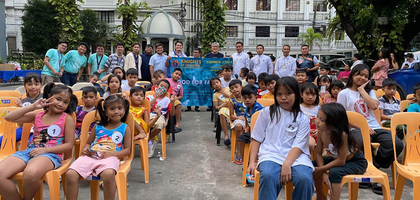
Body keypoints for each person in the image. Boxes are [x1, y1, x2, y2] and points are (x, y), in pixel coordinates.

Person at [0, 84, 77, 200]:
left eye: (65, 102)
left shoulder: (67, 119)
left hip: (51, 154)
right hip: (29, 151)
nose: (61, 104)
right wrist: (33, 107)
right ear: (49, 97)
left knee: (30, 173)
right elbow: (9, 117)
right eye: (58, 99)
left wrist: (44, 150)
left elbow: (69, 145)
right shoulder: (38, 115)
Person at [337, 64, 403, 195]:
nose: (362, 78)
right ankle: (371, 178)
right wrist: (362, 127)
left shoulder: (370, 92)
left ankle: (375, 167)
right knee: (361, 143)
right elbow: (343, 116)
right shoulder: (343, 93)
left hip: (375, 127)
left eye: (366, 76)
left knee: (396, 144)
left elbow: (373, 106)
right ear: (352, 75)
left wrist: (362, 91)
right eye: (359, 74)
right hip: (355, 128)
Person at [247, 77, 314, 200]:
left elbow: (299, 145)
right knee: (268, 176)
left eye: (288, 93)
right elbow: (256, 138)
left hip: (297, 158)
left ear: (297, 95)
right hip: (270, 155)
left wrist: (287, 164)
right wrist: (251, 162)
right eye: (279, 94)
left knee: (304, 179)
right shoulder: (266, 112)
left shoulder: (302, 118)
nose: (283, 97)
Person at [65, 95, 132, 200]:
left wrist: (113, 154)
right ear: (105, 112)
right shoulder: (98, 126)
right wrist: (85, 149)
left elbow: (127, 150)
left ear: (124, 109)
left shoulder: (125, 128)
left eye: (120, 108)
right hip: (91, 155)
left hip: (110, 157)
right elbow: (89, 142)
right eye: (112, 109)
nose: (116, 111)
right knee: (70, 174)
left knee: (109, 174)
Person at [313, 103, 368, 200]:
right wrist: (323, 171)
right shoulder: (321, 132)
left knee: (334, 172)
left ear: (333, 123)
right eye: (317, 117)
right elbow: (318, 153)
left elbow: (341, 161)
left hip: (355, 162)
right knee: (312, 165)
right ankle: (320, 196)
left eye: (322, 120)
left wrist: (322, 170)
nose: (317, 121)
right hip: (337, 159)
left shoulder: (342, 135)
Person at [1, 73, 43, 144]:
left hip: (40, 129)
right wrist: (20, 107)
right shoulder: (22, 101)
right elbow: (21, 125)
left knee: (32, 144)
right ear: (25, 86)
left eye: (36, 84)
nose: (33, 87)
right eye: (29, 84)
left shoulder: (44, 100)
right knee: (2, 140)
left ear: (41, 85)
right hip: (24, 129)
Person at [146, 79, 176, 157]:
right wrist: (155, 98)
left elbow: (172, 114)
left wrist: (172, 104)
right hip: (148, 115)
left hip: (160, 116)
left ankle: (149, 139)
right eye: (161, 86)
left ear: (167, 90)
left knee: (159, 124)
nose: (162, 88)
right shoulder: (149, 97)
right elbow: (146, 108)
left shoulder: (167, 100)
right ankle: (149, 143)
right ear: (157, 86)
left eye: (165, 87)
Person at [236, 85, 263, 165]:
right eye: (245, 98)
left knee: (253, 145)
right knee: (240, 139)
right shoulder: (247, 108)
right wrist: (246, 133)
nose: (247, 100)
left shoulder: (259, 109)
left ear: (256, 97)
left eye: (250, 97)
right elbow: (248, 123)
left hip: (261, 134)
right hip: (251, 132)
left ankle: (255, 161)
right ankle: (245, 161)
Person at [228, 79, 246, 165]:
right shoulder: (231, 101)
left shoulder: (247, 97)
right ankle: (239, 150)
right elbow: (231, 116)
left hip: (250, 118)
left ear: (241, 87)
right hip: (239, 118)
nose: (234, 89)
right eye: (232, 88)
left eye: (236, 87)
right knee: (239, 126)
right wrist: (239, 117)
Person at [210, 77, 231, 146]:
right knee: (221, 113)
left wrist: (226, 95)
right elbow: (216, 107)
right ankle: (226, 135)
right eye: (213, 84)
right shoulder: (215, 95)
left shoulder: (228, 88)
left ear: (220, 82)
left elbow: (235, 98)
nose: (216, 84)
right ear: (212, 87)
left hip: (233, 106)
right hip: (224, 107)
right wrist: (222, 105)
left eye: (217, 82)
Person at [299, 82, 320, 153]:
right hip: (303, 133)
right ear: (301, 94)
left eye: (313, 94)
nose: (310, 97)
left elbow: (323, 123)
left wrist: (319, 131)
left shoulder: (319, 108)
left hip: (317, 132)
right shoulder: (298, 108)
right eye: (307, 94)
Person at [166, 68, 184, 133]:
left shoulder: (180, 85)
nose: (177, 76)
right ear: (172, 74)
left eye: (179, 75)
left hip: (173, 99)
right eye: (176, 73)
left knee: (179, 104)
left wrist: (177, 98)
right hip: (164, 97)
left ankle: (177, 125)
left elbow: (181, 96)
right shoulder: (167, 80)